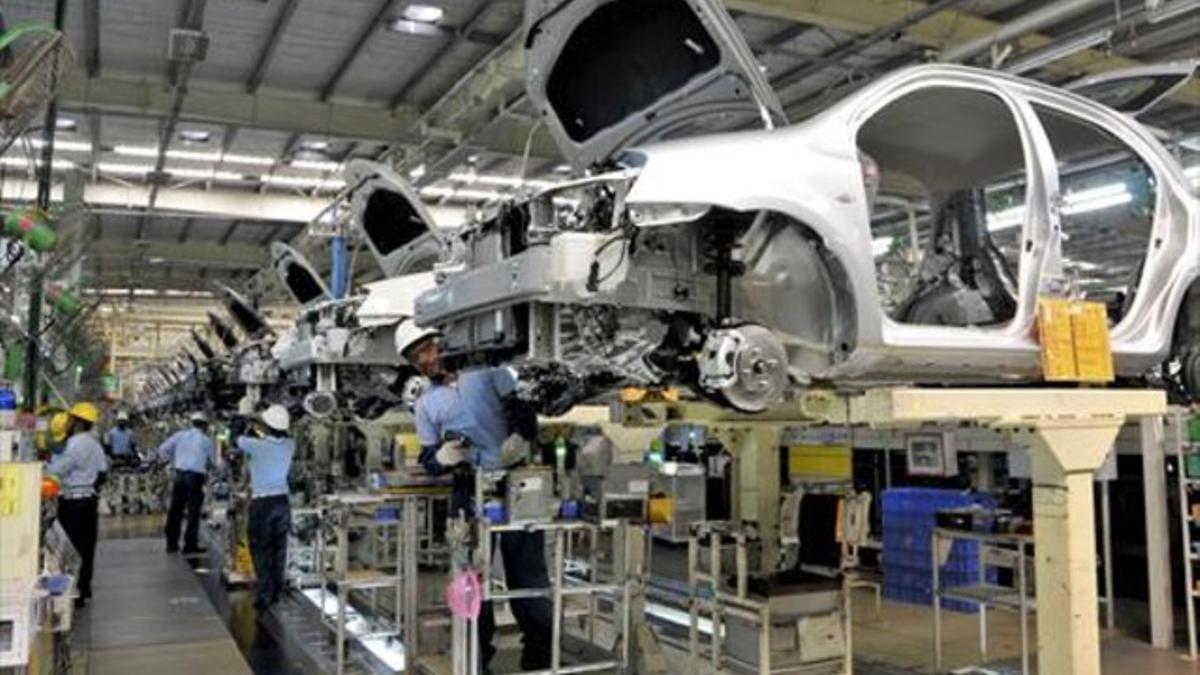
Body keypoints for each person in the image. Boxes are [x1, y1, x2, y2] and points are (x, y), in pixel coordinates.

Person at [396, 321, 551, 671]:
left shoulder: (487, 371)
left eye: (426, 350)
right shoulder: (425, 405)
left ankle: (539, 655)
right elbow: (428, 457)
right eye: (414, 358)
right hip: (469, 487)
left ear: (440, 342)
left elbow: (522, 408)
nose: (424, 360)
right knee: (470, 577)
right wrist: (440, 457)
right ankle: (478, 659)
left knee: (528, 574)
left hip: (517, 480)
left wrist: (521, 438)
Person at [45, 402, 108, 608]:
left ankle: (68, 592)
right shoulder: (95, 444)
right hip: (89, 501)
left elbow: (56, 471)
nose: (68, 422)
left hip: (73, 503)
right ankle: (84, 587)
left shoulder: (74, 445)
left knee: (67, 548)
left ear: (79, 423)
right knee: (87, 547)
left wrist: (46, 462)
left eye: (72, 419)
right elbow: (102, 473)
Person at [233, 404, 295, 610]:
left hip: (263, 504)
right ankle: (276, 590)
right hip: (282, 503)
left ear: (267, 426)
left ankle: (265, 594)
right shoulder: (290, 445)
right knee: (279, 549)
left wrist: (240, 418)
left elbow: (235, 439)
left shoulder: (256, 446)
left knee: (260, 548)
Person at [158, 411, 215, 555]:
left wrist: (174, 460)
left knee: (175, 510)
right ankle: (190, 546)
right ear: (204, 425)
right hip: (195, 478)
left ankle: (171, 544)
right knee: (193, 512)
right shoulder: (206, 440)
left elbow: (162, 449)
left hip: (179, 476)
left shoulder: (180, 435)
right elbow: (213, 462)